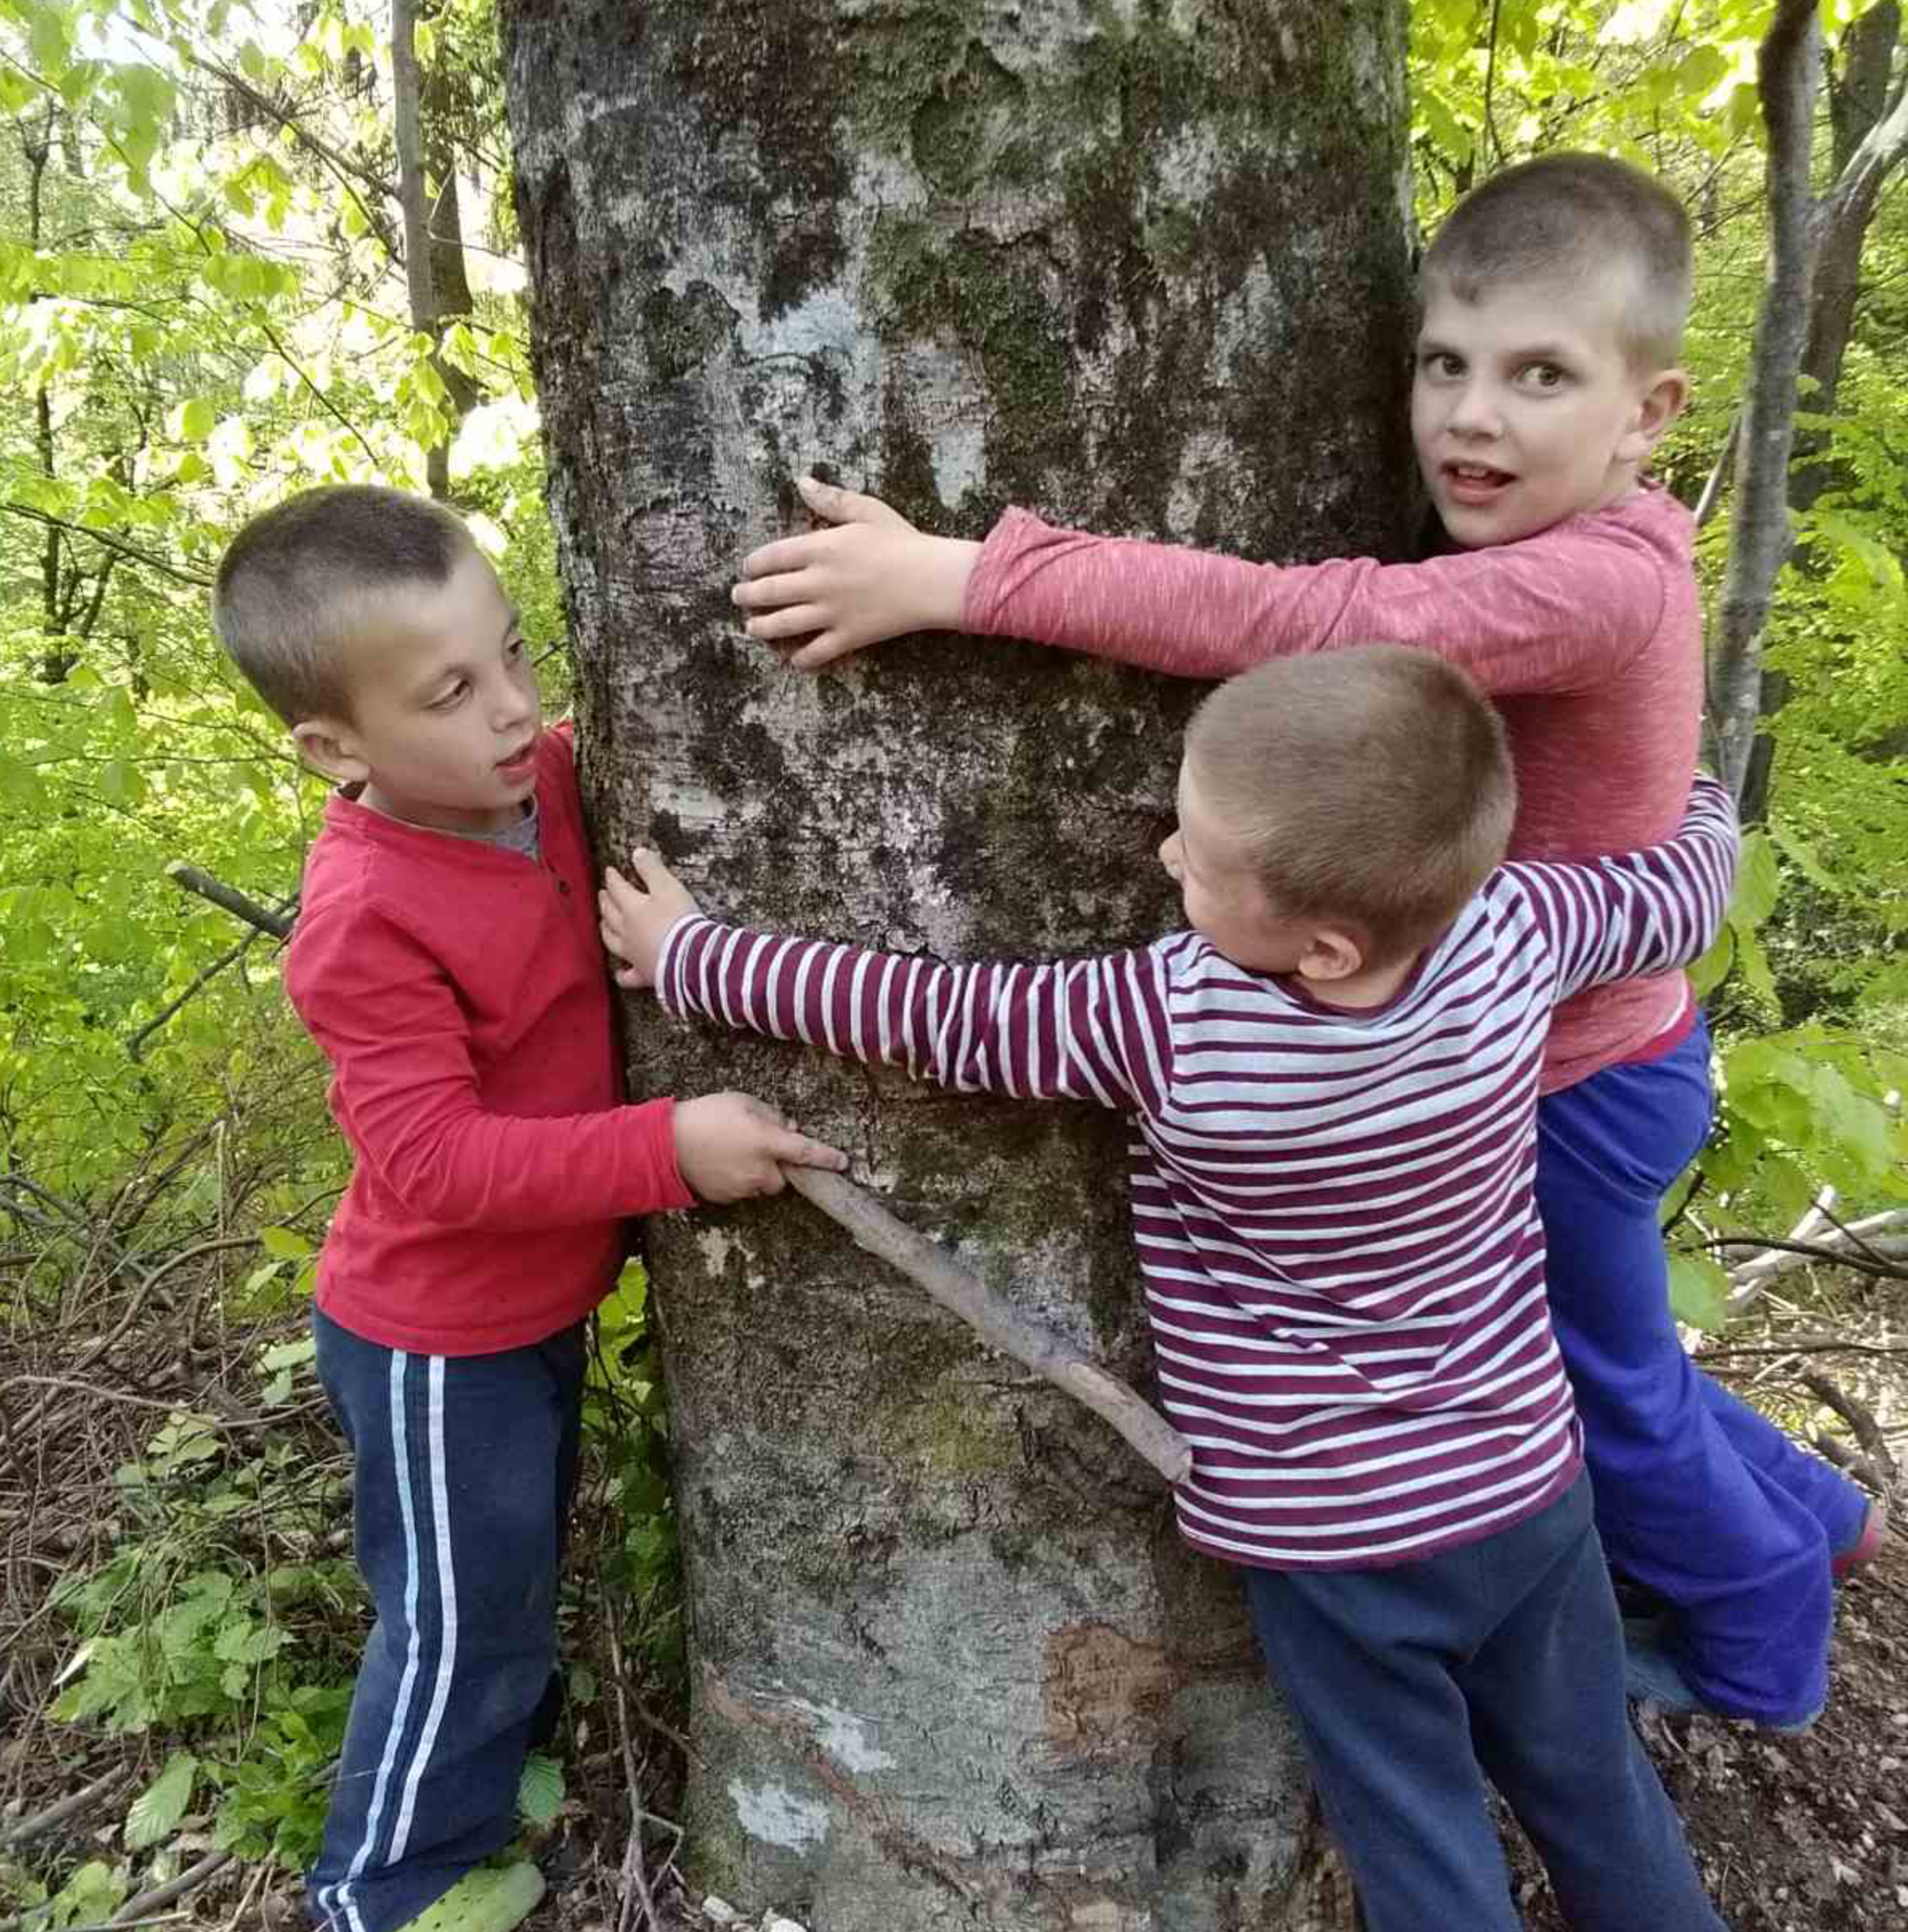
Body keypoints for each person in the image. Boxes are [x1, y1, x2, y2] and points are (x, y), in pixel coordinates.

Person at [598, 645, 1773, 1932]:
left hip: (1337, 1546)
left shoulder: (1172, 1021)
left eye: (1199, 859)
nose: (1163, 860)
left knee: (1427, 1850)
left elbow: (939, 1016)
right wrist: (1703, 789)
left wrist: (700, 955)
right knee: (1586, 1770)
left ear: (1327, 936)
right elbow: (1671, 891)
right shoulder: (1515, 927)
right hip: (1523, 1485)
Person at [724, 152, 1883, 1733]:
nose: (1472, 415)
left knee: (1602, 1391)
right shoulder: (1581, 558)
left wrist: (969, 576)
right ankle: (1816, 1518)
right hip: (1585, 1040)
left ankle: (1759, 1638)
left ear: (1648, 414)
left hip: (1578, 1077)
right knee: (1613, 1348)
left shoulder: (1589, 580)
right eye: (1445, 364)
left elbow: (1303, 624)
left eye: (1540, 375)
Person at [210, 486, 845, 1932]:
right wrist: (665, 1153)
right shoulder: (364, 915)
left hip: (533, 1311)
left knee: (510, 1573)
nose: (515, 712)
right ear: (335, 746)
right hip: (435, 1338)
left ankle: (481, 1773)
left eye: (513, 655)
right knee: (458, 1609)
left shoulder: (544, 781)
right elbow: (427, 1159)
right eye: (452, 693)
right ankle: (389, 1876)